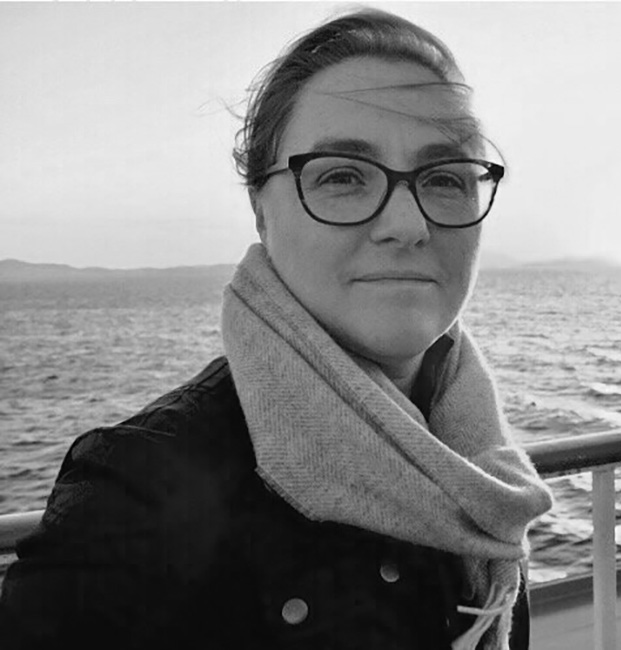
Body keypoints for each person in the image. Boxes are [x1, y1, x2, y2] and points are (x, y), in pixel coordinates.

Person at [0, 8, 552, 650]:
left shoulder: (477, 457)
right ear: (261, 211)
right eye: (342, 176)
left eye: (447, 178)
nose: (408, 224)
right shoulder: (136, 496)